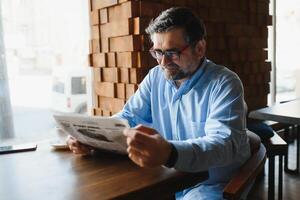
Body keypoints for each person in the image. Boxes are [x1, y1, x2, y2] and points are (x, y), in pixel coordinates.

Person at [67, 7, 251, 200]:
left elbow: (223, 144)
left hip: (214, 186)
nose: (162, 62)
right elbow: (127, 117)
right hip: (168, 180)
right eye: (157, 52)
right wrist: (91, 137)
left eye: (172, 53)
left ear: (199, 48)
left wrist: (170, 154)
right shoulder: (155, 77)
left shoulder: (225, 83)